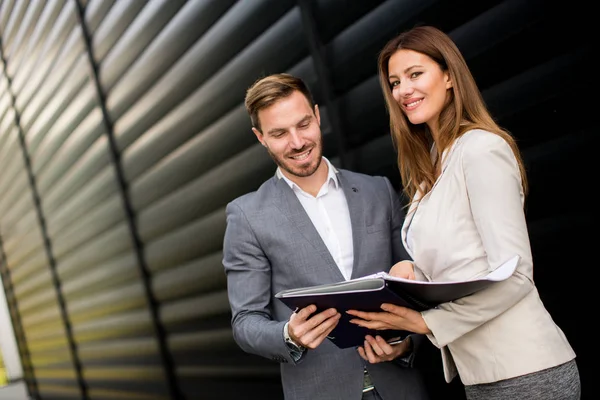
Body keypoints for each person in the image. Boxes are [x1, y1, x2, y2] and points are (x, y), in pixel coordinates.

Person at [346, 25, 580, 399]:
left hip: (526, 370)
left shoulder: (481, 150)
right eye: (394, 81)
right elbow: (463, 262)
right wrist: (411, 274)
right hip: (481, 374)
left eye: (415, 74)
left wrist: (426, 322)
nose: (403, 90)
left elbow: (516, 275)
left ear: (450, 76)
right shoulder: (435, 163)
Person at [222, 73, 431, 400]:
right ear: (260, 137)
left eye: (303, 124)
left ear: (318, 116)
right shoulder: (247, 216)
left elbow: (419, 284)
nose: (297, 142)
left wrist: (406, 344)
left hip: (401, 387)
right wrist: (289, 335)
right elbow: (246, 323)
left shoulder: (378, 191)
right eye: (279, 133)